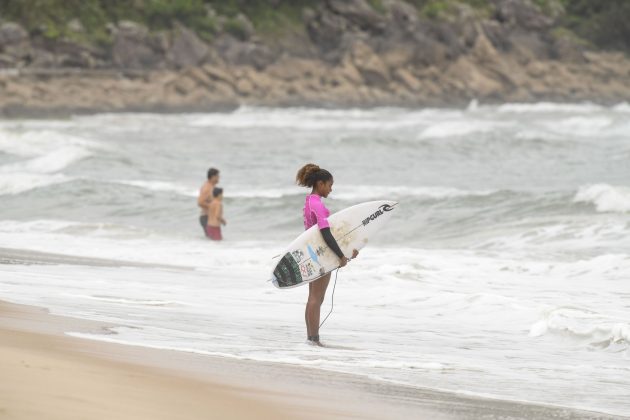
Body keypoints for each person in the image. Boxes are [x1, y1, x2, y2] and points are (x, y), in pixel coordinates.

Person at [296, 163, 359, 347]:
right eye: (330, 185)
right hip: (320, 256)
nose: (331, 189)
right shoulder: (318, 205)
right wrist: (340, 255)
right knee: (317, 298)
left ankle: (311, 338)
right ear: (321, 183)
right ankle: (313, 340)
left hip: (312, 253)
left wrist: (346, 252)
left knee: (313, 298)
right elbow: (325, 233)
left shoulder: (309, 202)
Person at [197, 168, 219, 237]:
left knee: (214, 240)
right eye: (217, 176)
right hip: (206, 217)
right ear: (212, 177)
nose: (219, 178)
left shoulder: (211, 186)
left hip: (210, 218)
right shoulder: (207, 188)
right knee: (214, 239)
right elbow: (200, 202)